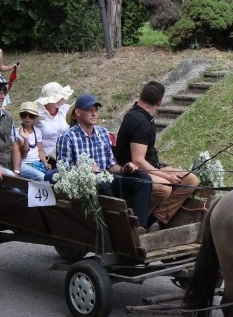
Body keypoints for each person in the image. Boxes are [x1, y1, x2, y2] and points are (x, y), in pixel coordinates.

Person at [51, 94, 156, 233]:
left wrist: (126, 168)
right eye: (89, 110)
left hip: (106, 178)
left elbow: (112, 166)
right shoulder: (67, 137)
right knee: (103, 183)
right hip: (86, 184)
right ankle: (120, 225)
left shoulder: (103, 133)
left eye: (96, 109)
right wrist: (85, 170)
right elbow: (63, 170)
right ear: (78, 112)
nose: (94, 113)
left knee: (144, 179)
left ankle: (140, 226)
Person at [114, 81, 199, 227]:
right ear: (160, 102)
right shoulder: (141, 122)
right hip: (134, 171)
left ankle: (157, 219)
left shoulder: (139, 115)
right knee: (163, 189)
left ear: (141, 95)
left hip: (153, 167)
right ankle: (135, 222)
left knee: (190, 180)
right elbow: (138, 161)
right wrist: (167, 177)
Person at [35, 82, 73, 164]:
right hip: (46, 156)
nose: (62, 99)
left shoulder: (67, 109)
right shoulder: (37, 114)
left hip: (67, 153)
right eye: (59, 97)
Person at [15, 101, 51, 181]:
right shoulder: (17, 132)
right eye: (24, 115)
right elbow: (23, 154)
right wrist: (26, 139)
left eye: (31, 116)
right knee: (42, 177)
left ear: (35, 118)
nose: (27, 118)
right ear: (21, 117)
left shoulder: (37, 131)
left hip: (37, 162)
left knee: (51, 176)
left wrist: (45, 163)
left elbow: (40, 150)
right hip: (23, 163)